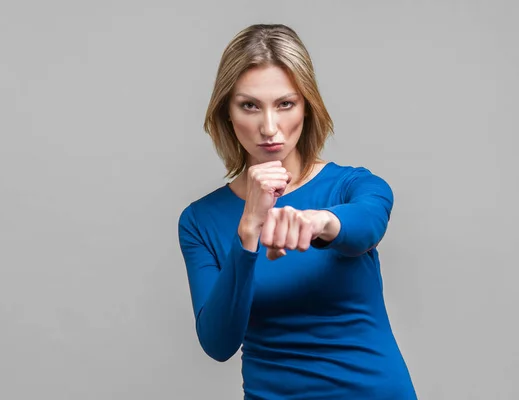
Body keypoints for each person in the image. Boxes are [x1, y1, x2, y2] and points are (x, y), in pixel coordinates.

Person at [177, 24, 417, 399]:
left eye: (285, 104)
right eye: (250, 105)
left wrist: (320, 221)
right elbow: (218, 342)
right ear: (227, 112)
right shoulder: (200, 221)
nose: (269, 127)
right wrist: (248, 232)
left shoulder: (352, 186)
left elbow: (368, 224)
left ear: (307, 107)